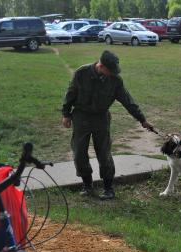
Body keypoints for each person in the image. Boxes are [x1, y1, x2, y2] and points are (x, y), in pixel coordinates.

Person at [62, 50, 154, 200]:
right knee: (79, 152)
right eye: (110, 70)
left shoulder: (115, 80)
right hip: (81, 117)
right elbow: (70, 93)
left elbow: (127, 100)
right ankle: (87, 185)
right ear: (101, 66)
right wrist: (66, 114)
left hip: (101, 118)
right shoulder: (82, 73)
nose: (112, 73)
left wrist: (142, 119)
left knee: (104, 153)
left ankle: (108, 188)